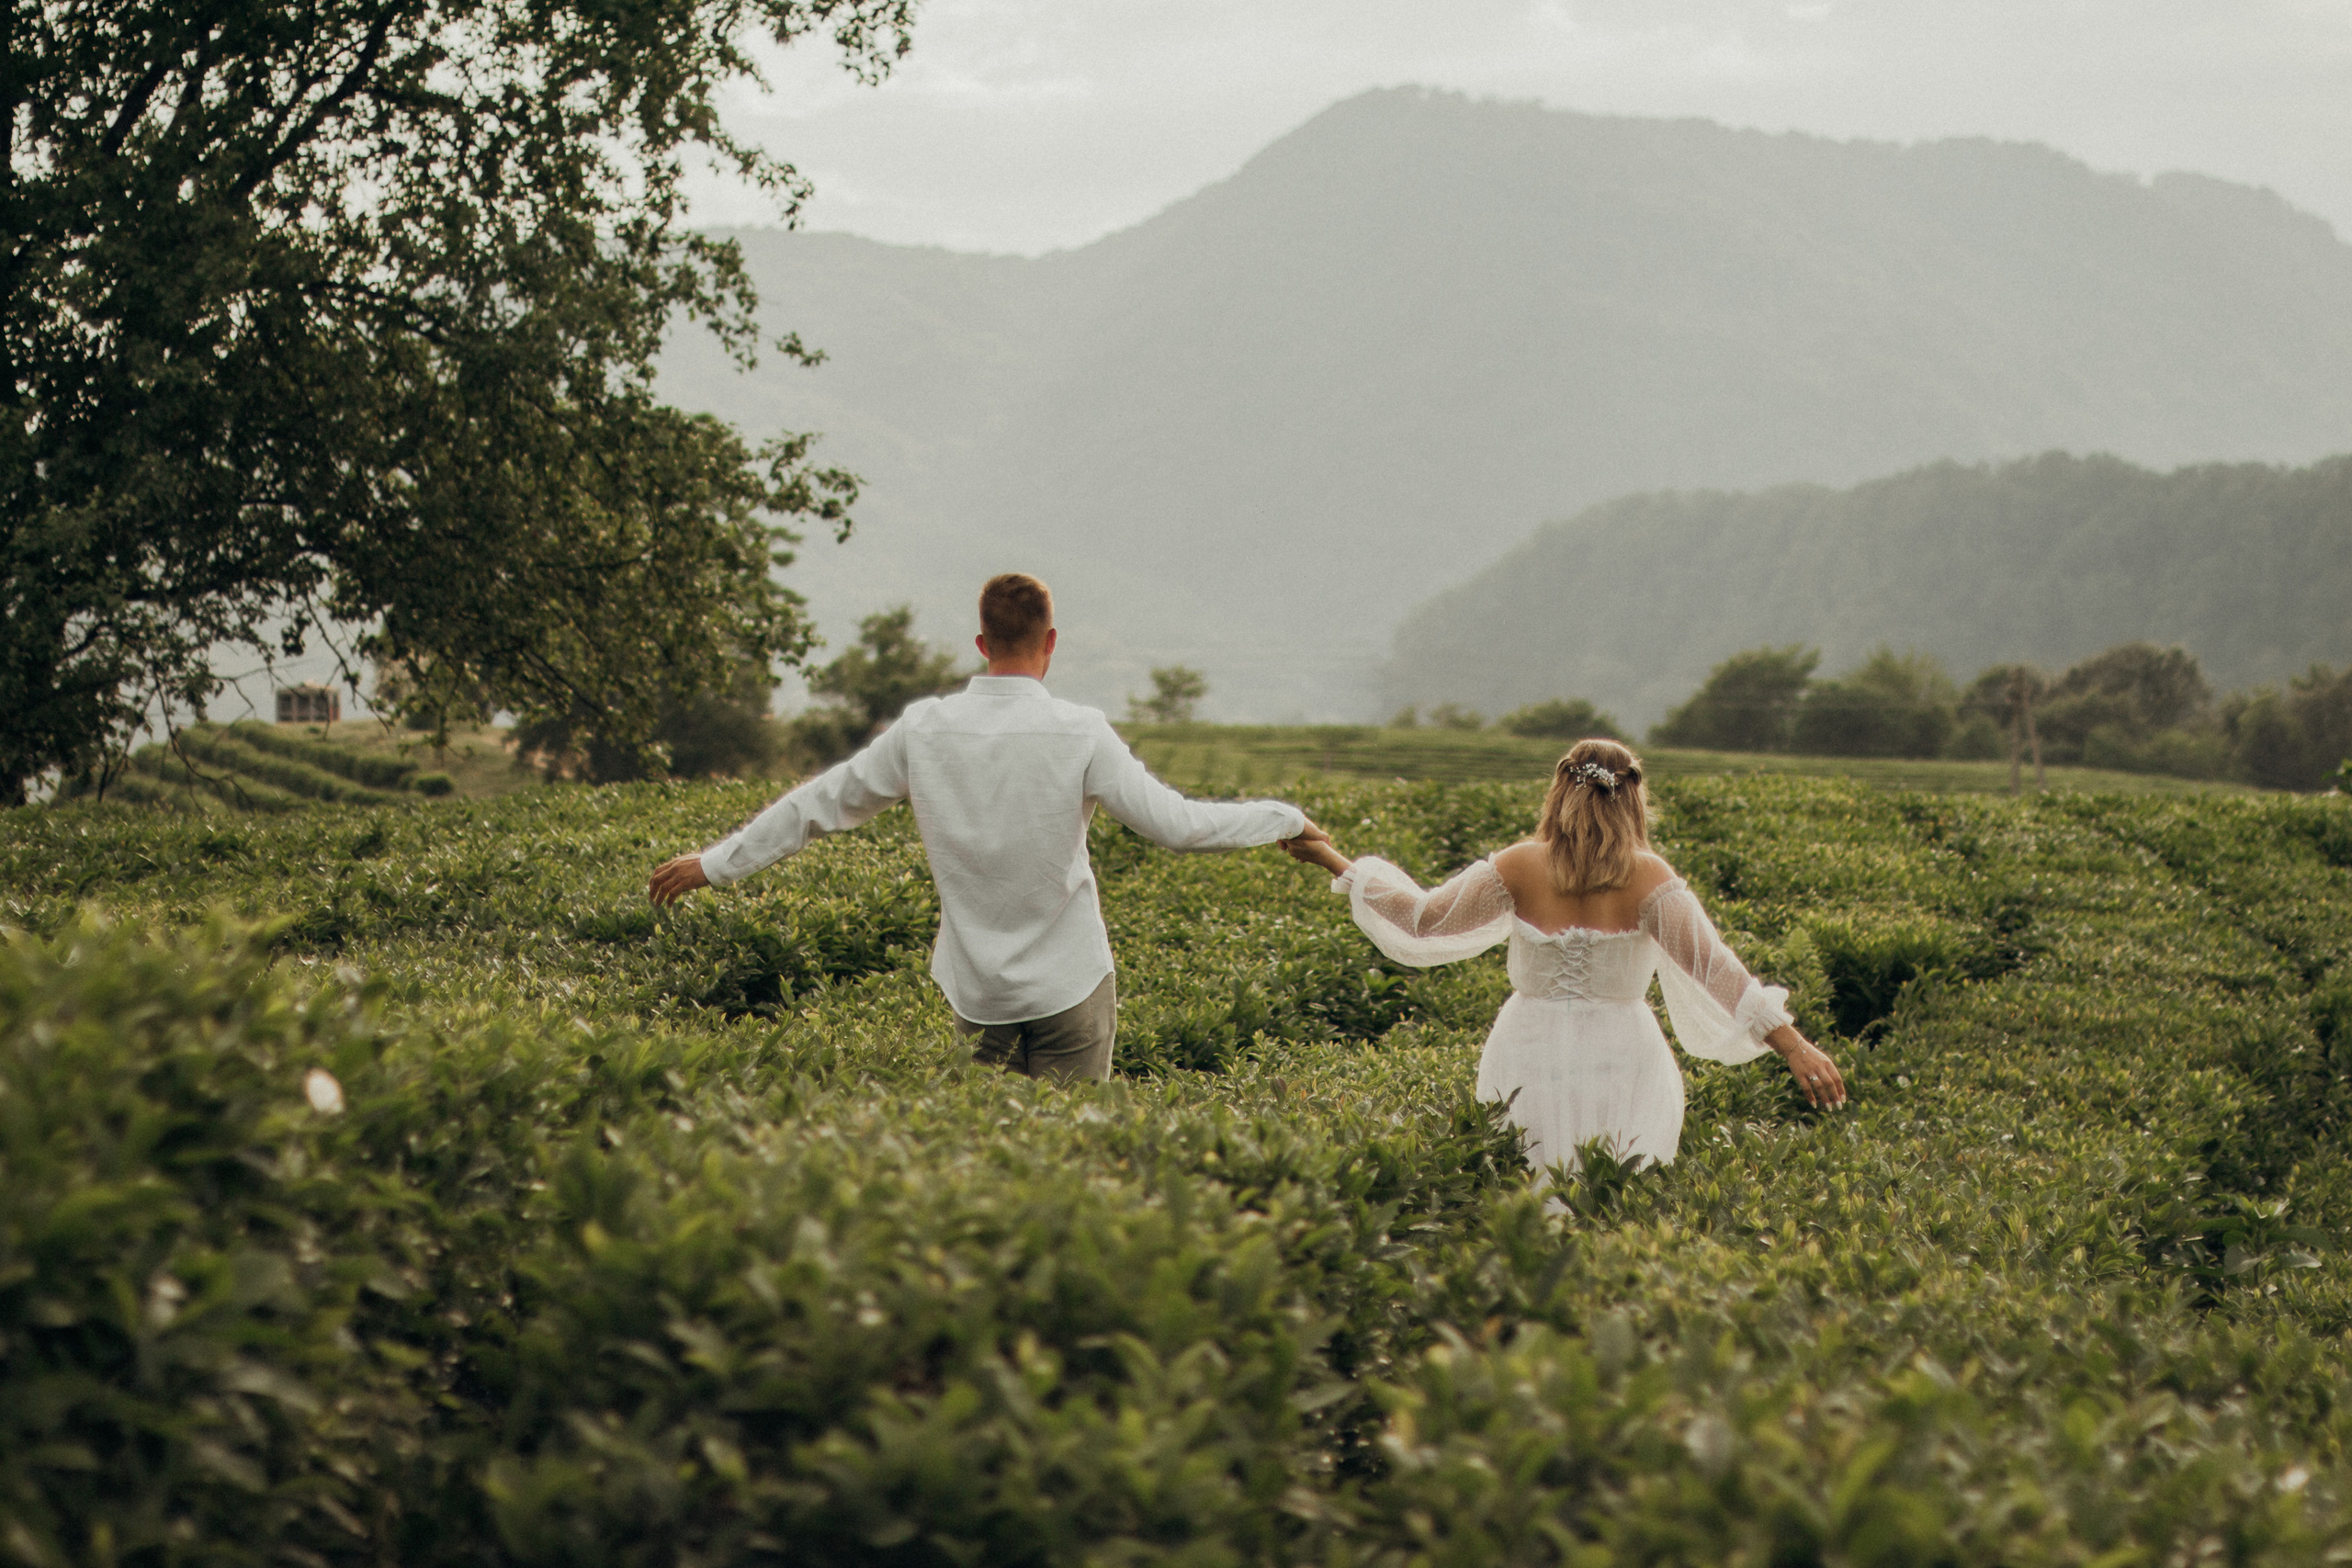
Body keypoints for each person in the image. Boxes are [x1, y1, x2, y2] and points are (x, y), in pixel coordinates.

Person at [649, 572, 1327, 1083]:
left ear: (981, 642)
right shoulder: (1079, 731)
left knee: (990, 1178)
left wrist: (713, 863)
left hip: (979, 993)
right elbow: (1179, 825)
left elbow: (816, 805)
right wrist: (1285, 818)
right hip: (1073, 985)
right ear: (1050, 643)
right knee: (1072, 1174)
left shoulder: (924, 729)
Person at [1275, 738, 1844, 1188]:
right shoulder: (1650, 877)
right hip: (1625, 1055)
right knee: (1618, 1195)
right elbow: (1716, 969)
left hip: (1529, 1047)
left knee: (1529, 1192)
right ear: (1633, 798)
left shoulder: (1521, 865)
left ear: (1559, 792)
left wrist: (1330, 857)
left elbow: (1422, 919)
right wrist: (1793, 1045)